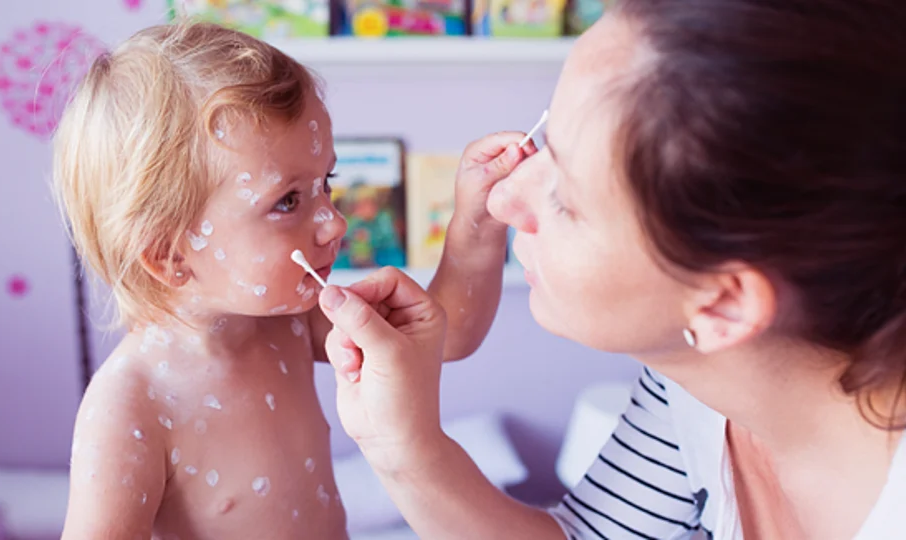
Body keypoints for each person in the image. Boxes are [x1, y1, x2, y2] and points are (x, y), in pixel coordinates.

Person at [317, 1, 906, 538]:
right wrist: (402, 446)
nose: (500, 202)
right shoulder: (691, 384)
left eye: (566, 200)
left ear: (724, 304)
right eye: (543, 142)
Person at [52, 21, 528, 539]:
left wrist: (477, 224)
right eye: (287, 201)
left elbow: (446, 336)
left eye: (327, 183)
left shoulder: (288, 323)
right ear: (170, 257)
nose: (335, 222)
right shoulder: (130, 405)